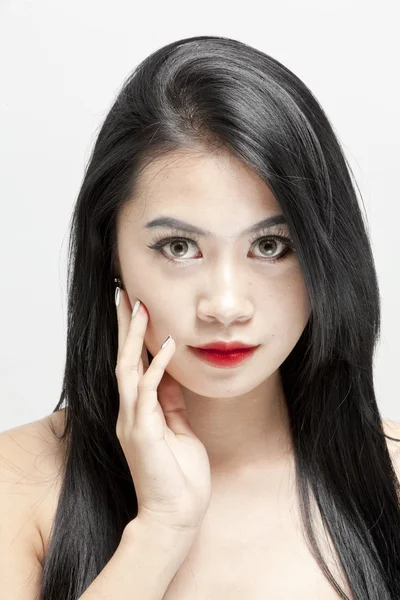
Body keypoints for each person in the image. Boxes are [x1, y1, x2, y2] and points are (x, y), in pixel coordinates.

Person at [1, 35, 400, 600]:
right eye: (180, 248)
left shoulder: (394, 482)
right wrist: (160, 531)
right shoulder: (16, 483)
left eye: (270, 246)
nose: (227, 305)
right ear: (111, 251)